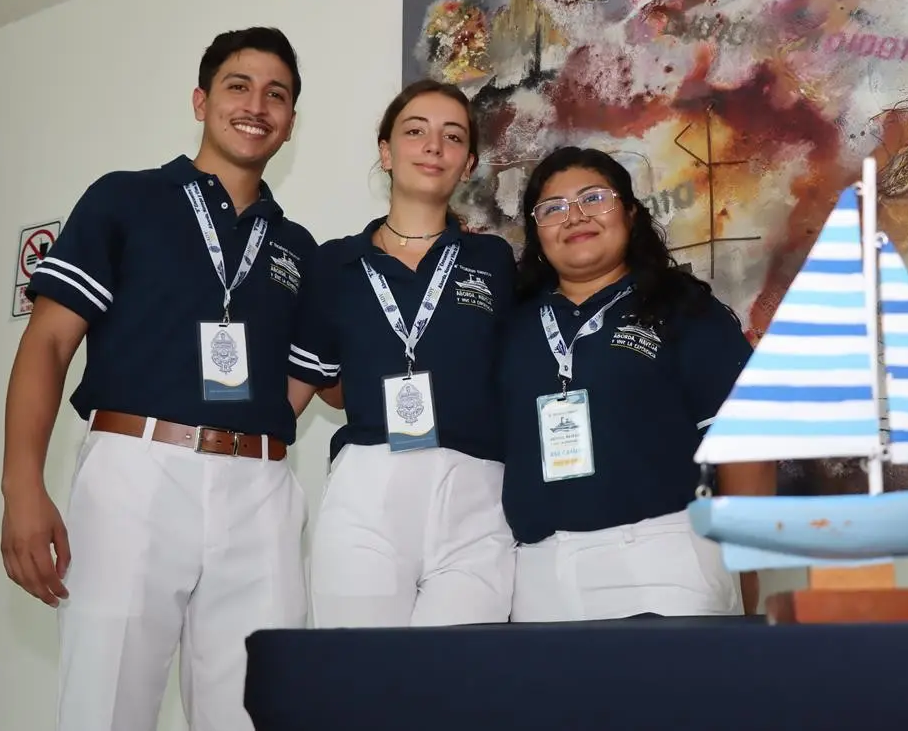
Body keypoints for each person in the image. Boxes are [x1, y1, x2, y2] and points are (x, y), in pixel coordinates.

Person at [0, 27, 329, 731]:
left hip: (260, 493)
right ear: (201, 99)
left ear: (292, 122)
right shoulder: (124, 199)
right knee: (105, 702)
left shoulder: (298, 248)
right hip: (136, 475)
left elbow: (298, 383)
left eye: (278, 94)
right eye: (238, 85)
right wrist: (21, 485)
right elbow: (50, 342)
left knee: (261, 709)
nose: (257, 105)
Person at [497, 146, 777, 622]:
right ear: (536, 231)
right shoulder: (512, 325)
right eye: (553, 208)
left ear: (629, 212)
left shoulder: (685, 309)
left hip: (663, 558)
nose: (575, 216)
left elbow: (744, 446)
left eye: (593, 198)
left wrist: (745, 569)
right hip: (542, 571)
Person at [286, 78, 517, 627]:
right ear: (386, 152)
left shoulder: (497, 261)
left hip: (477, 493)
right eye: (415, 132)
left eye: (452, 136)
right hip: (368, 488)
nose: (433, 146)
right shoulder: (334, 264)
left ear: (469, 164)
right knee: (361, 688)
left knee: (459, 691)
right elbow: (298, 391)